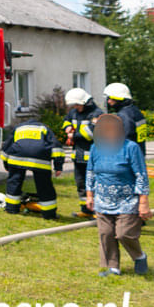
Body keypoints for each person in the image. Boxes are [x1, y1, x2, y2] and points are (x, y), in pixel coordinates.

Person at [86, 113, 151, 276]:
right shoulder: (96, 147)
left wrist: (143, 201)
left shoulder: (131, 148)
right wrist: (89, 195)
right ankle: (113, 267)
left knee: (124, 233)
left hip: (127, 201)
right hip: (102, 200)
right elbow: (91, 172)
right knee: (106, 234)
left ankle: (139, 256)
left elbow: (141, 175)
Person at [1, 119, 65, 219]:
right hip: (39, 159)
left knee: (14, 182)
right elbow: (56, 147)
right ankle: (49, 214)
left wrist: (6, 164)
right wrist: (58, 166)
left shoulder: (18, 128)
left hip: (17, 157)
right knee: (44, 186)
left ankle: (11, 209)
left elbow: (6, 147)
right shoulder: (44, 128)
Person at [63, 88, 103, 218]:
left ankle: (97, 210)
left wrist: (73, 135)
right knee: (81, 184)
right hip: (78, 156)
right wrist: (67, 127)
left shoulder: (97, 114)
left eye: (77, 104)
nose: (75, 107)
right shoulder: (74, 112)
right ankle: (85, 210)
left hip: (92, 157)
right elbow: (66, 120)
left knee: (94, 184)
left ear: (85, 102)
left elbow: (91, 133)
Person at [104, 82, 148, 154]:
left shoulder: (124, 115)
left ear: (118, 99)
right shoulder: (135, 111)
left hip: (128, 156)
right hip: (139, 152)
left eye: (110, 98)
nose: (108, 101)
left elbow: (124, 138)